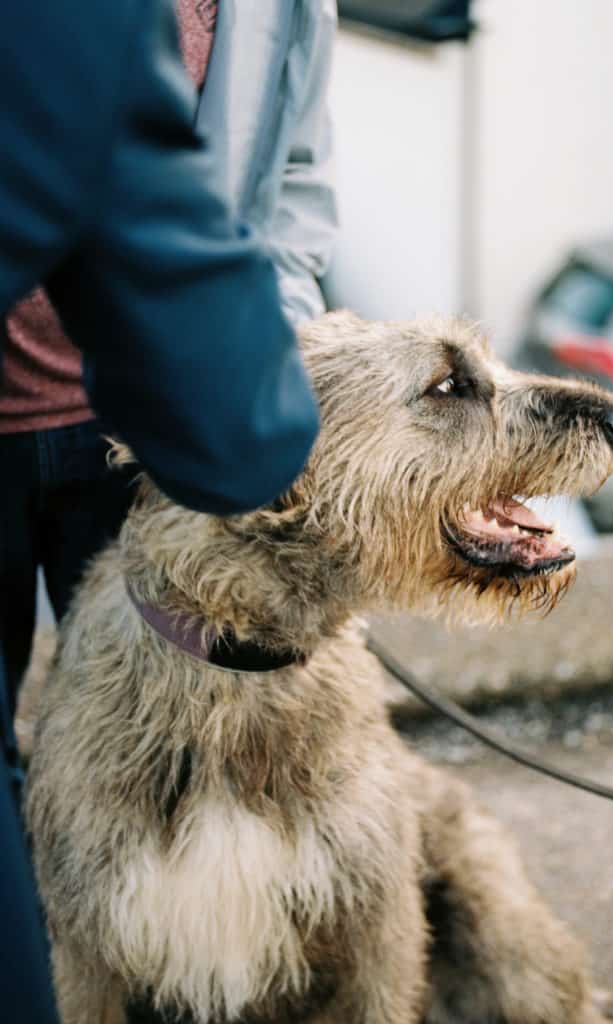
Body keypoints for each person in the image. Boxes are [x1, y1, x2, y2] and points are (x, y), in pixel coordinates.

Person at [0, 0, 333, 1016]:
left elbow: (294, 187)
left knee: (157, 760)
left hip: (143, 434)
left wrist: (278, 344)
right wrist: (252, 423)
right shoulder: (79, 25)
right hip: (167, 416)